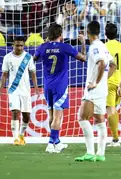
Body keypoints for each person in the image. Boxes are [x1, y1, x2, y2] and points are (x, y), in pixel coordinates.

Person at [33, 24, 86, 153]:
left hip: (47, 85)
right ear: (61, 35)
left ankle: (57, 142)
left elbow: (33, 59)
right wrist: (83, 43)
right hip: (60, 86)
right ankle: (51, 143)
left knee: (51, 114)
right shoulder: (65, 47)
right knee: (58, 116)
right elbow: (83, 58)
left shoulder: (42, 47)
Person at [74, 21, 116, 162]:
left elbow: (102, 63)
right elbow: (113, 65)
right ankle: (101, 154)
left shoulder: (95, 47)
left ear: (88, 32)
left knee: (82, 117)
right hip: (102, 90)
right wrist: (103, 80)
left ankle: (90, 152)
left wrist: (96, 82)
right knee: (99, 121)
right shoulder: (102, 46)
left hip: (94, 90)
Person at [0, 36, 39, 145]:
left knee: (26, 115)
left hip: (25, 90)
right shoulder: (7, 58)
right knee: (15, 111)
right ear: (13, 45)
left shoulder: (28, 57)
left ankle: (21, 134)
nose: (19, 48)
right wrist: (1, 88)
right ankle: (16, 138)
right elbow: (4, 75)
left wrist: (36, 88)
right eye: (17, 45)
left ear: (24, 46)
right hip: (13, 90)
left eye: (21, 45)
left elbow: (33, 73)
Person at [105, 23, 121, 147]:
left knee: (110, 110)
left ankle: (115, 140)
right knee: (114, 110)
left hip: (109, 82)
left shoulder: (104, 46)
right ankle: (116, 138)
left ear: (105, 33)